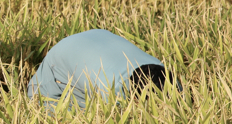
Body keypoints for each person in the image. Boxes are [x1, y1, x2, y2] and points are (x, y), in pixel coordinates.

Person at [27, 29, 175, 110]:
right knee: (40, 102)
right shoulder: (112, 89)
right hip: (62, 53)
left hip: (99, 34)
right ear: (135, 98)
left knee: (84, 98)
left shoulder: (165, 73)